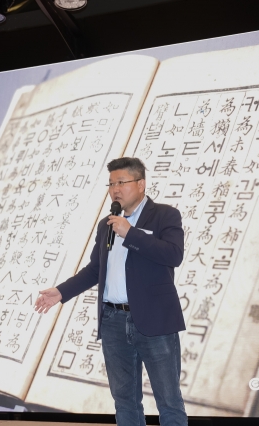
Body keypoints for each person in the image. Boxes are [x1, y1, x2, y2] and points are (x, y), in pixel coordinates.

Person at [34, 157, 188, 426]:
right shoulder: (107, 223)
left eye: (121, 182)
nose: (115, 189)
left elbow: (173, 255)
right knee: (125, 401)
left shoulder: (165, 215)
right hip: (114, 322)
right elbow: (96, 269)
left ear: (140, 184)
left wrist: (131, 233)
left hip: (155, 321)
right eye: (111, 183)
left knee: (169, 401)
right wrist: (61, 292)